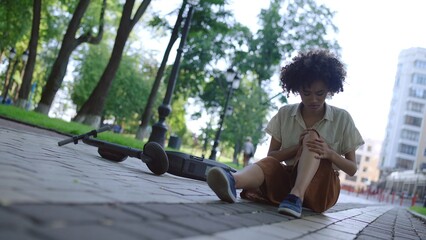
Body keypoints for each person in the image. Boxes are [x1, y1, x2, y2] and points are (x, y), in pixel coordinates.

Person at [206, 49, 364, 218]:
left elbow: (352, 168)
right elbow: (272, 157)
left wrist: (328, 153)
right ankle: (232, 181)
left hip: (322, 190)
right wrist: (298, 148)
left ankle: (297, 196)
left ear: (330, 89)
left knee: (312, 138)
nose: (313, 99)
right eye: (306, 93)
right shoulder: (285, 113)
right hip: (286, 182)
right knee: (272, 162)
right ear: (297, 89)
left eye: (320, 93)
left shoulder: (342, 118)